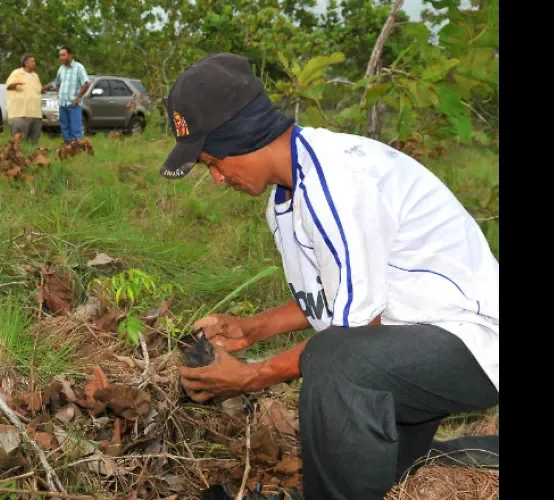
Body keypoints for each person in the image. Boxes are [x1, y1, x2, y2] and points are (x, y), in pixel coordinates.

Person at [161, 53, 499, 500]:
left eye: (212, 162)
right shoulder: (287, 198)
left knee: (336, 362)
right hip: (415, 337)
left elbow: (355, 331)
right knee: (387, 466)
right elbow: (332, 295)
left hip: (476, 341)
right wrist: (250, 329)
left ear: (240, 138)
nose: (218, 178)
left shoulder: (337, 181)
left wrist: (253, 374)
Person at [43, 46, 90, 145]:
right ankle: (68, 149)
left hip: (73, 104)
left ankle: (77, 149)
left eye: (63, 55)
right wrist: (58, 94)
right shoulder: (61, 69)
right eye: (60, 55)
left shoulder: (78, 67)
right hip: (62, 104)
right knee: (64, 128)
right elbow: (58, 83)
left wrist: (77, 98)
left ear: (70, 55)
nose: (61, 57)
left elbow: (86, 83)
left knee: (75, 128)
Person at [5, 54, 43, 144]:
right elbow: (8, 86)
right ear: (26, 63)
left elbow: (39, 90)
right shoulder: (16, 73)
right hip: (20, 114)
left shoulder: (35, 76)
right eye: (32, 61)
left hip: (35, 114)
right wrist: (16, 84)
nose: (35, 63)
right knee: (18, 143)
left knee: (33, 143)